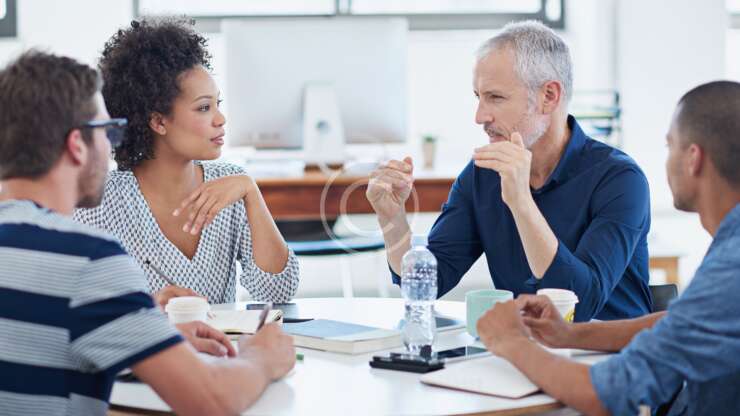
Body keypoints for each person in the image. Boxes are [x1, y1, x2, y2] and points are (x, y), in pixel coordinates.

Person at [0, 50, 295, 416]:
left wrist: (135, 325)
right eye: (108, 131)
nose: (113, 145)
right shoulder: (87, 258)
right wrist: (261, 358)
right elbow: (213, 401)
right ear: (77, 145)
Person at [476, 80, 740, 415]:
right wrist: (569, 333)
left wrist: (510, 341)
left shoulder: (731, 268)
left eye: (669, 145)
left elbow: (609, 394)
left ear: (693, 159)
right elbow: (683, 323)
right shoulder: (730, 251)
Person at [366, 20, 651, 321]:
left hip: (610, 347)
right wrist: (392, 218)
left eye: (496, 97)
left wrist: (521, 203)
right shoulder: (482, 175)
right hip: (527, 345)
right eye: (478, 97)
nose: (480, 117)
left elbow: (580, 306)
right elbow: (430, 282)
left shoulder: (620, 180)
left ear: (549, 96)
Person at [74, 18, 299, 307]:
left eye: (218, 104)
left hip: (223, 339)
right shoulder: (100, 203)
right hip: (146, 338)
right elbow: (81, 310)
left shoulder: (231, 185)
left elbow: (278, 294)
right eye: (204, 107)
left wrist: (251, 192)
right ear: (158, 121)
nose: (220, 119)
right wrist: (149, 306)